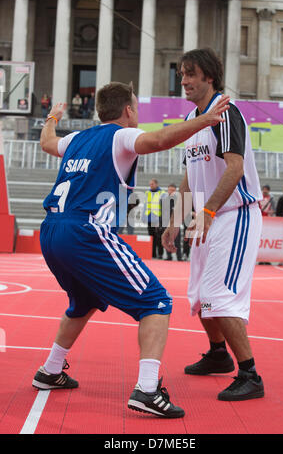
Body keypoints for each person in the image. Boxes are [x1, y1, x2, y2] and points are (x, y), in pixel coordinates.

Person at [32, 81, 230, 418]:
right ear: (127, 111)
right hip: (85, 231)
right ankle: (147, 390)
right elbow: (158, 140)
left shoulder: (77, 139)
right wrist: (206, 119)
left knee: (84, 301)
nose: (137, 113)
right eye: (136, 107)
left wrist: (52, 116)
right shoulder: (121, 136)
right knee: (157, 301)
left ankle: (50, 370)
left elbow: (47, 142)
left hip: (51, 230)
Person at [162, 48, 265, 402]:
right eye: (181, 76)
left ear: (209, 76)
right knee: (197, 297)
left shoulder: (226, 113)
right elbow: (190, 176)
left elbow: (234, 168)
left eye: (190, 74)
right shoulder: (196, 119)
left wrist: (205, 213)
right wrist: (175, 219)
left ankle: (250, 374)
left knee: (218, 296)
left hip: (234, 214)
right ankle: (219, 353)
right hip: (208, 216)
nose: (184, 81)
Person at [143, 179, 166, 259]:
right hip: (149, 219)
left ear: (156, 184)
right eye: (150, 184)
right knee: (151, 237)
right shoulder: (147, 193)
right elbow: (145, 206)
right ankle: (152, 254)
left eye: (152, 184)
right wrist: (143, 217)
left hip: (158, 219)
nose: (151, 186)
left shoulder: (162, 193)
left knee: (159, 237)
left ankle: (160, 254)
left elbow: (164, 207)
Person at [160, 184, 182, 261]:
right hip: (166, 223)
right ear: (167, 190)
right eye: (170, 190)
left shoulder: (178, 201)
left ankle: (179, 257)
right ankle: (169, 256)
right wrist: (160, 224)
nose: (171, 192)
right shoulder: (163, 201)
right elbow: (161, 213)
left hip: (176, 224)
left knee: (177, 241)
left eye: (173, 190)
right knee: (166, 240)